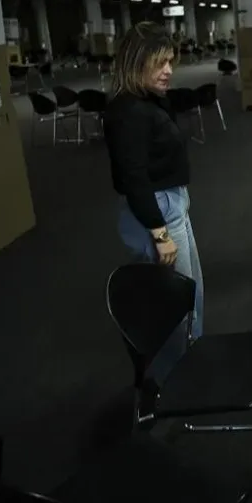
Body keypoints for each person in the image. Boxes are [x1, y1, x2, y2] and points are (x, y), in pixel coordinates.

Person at [104, 21, 202, 384]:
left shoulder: (148, 101)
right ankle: (168, 383)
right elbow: (134, 178)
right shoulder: (127, 112)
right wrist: (160, 234)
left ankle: (188, 366)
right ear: (136, 63)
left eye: (171, 62)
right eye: (160, 63)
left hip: (171, 205)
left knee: (190, 296)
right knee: (172, 305)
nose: (169, 71)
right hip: (155, 213)